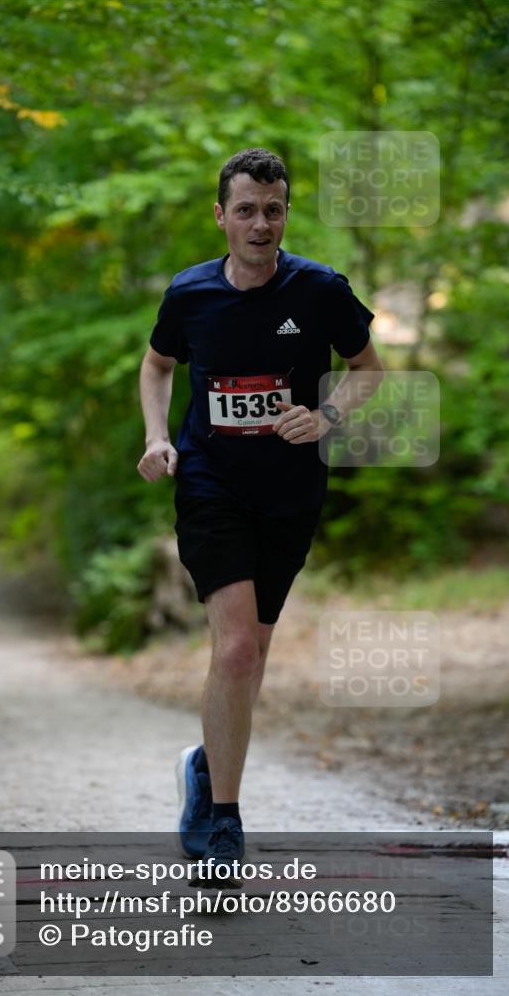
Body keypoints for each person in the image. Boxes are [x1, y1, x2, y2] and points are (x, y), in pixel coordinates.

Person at [137, 148, 384, 887]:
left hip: (289, 493)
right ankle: (223, 823)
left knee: (254, 652)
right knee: (238, 649)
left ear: (285, 213)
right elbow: (156, 366)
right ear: (220, 216)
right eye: (244, 209)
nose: (260, 223)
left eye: (272, 209)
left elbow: (368, 368)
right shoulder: (189, 295)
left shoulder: (318, 290)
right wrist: (155, 436)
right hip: (210, 485)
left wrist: (327, 414)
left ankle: (206, 764)